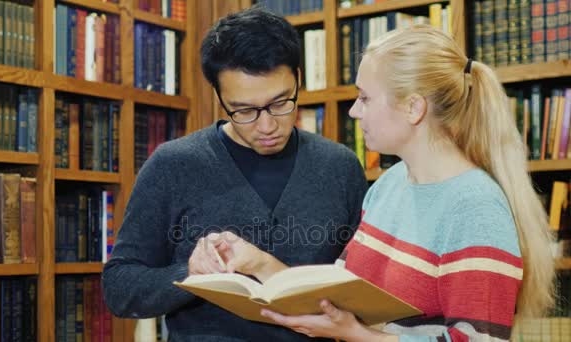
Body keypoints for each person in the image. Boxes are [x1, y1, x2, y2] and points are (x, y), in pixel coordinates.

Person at [207, 25, 555, 341]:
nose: (354, 112)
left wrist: (360, 335)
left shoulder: (475, 205)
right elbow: (339, 297)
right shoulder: (389, 185)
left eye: (365, 98)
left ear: (412, 108)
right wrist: (258, 264)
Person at [101, 6, 368, 341]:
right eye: (244, 111)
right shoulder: (174, 165)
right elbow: (120, 288)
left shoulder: (340, 167)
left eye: (281, 102)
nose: (267, 125)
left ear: (298, 78)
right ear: (219, 97)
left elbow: (365, 292)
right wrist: (191, 275)